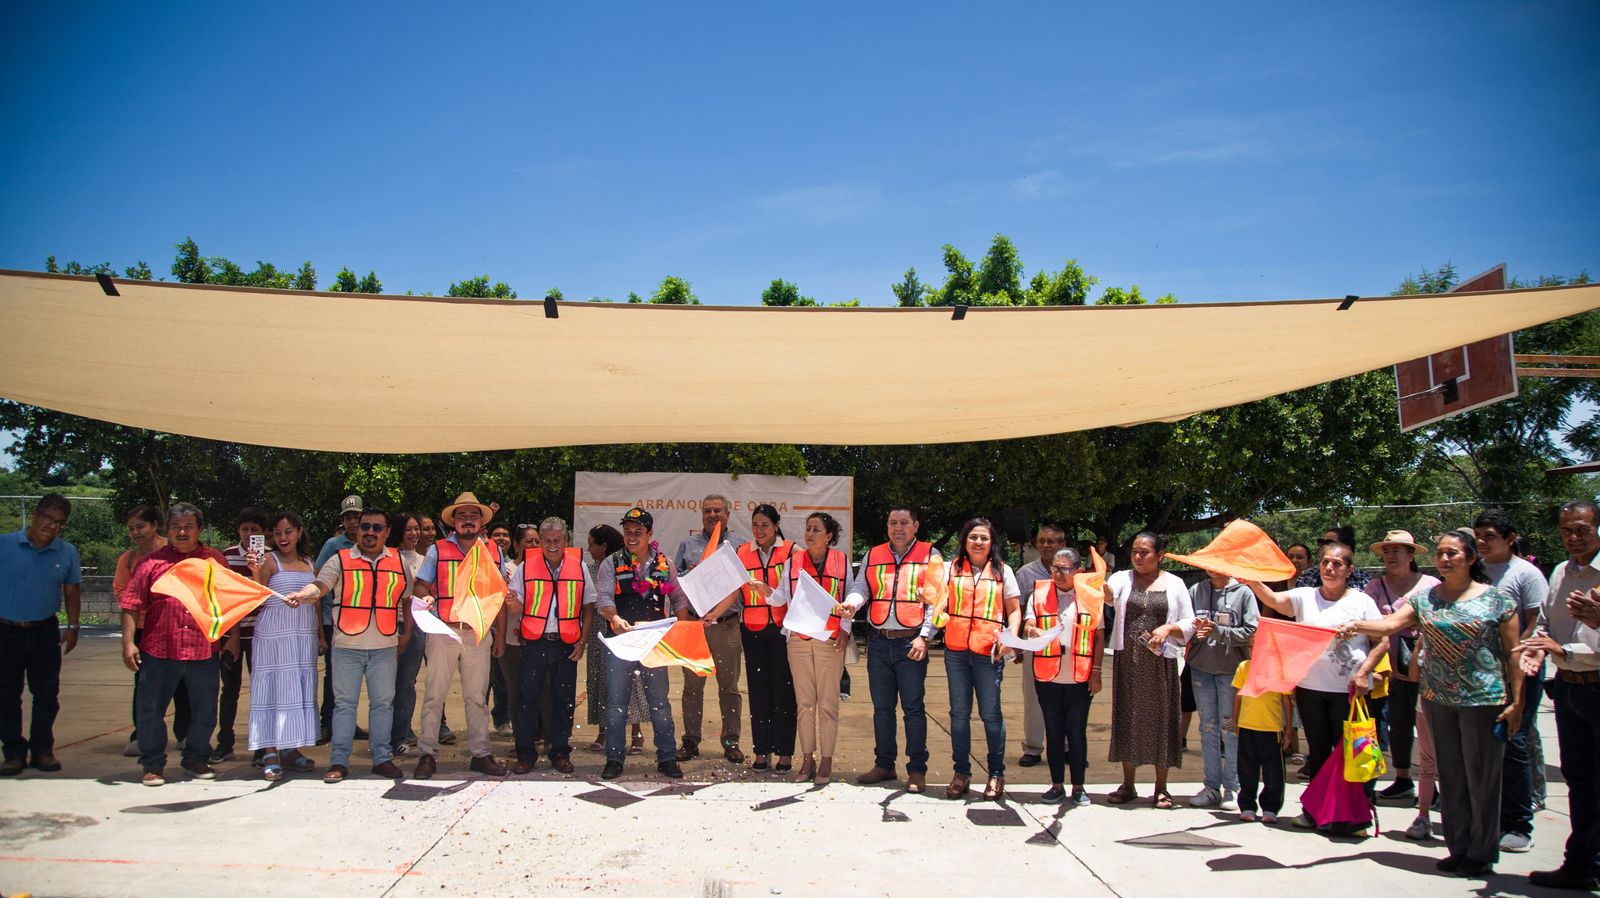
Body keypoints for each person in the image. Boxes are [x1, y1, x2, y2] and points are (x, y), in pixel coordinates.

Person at [1340, 529, 1522, 878]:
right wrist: (1354, 624)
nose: (1444, 559)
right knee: (1451, 774)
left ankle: (1482, 852)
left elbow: (1513, 655)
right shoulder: (1427, 600)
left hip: (1484, 700)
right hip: (1438, 698)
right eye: (1440, 553)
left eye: (1452, 553)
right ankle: (1459, 847)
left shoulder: (1497, 600)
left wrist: (1517, 702)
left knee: (1481, 777)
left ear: (1471, 558)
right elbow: (1391, 623)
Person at [1243, 540, 1387, 833]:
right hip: (1310, 688)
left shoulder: (1362, 602)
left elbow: (1383, 641)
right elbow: (1274, 600)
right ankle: (1315, 811)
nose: (1329, 568)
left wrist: (1365, 674)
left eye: (1337, 564)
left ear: (1349, 570)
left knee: (1351, 751)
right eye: (1325, 563)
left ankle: (1355, 817)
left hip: (1349, 691)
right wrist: (1250, 579)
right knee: (1319, 751)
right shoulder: (1305, 596)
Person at [285, 508, 412, 782]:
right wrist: (305, 595)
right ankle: (339, 761)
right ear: (356, 530)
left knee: (383, 704)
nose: (369, 532)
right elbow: (319, 585)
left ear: (387, 532)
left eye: (377, 528)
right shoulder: (340, 559)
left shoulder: (399, 561)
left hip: (384, 645)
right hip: (347, 645)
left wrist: (407, 634)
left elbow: (408, 599)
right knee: (344, 705)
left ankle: (382, 758)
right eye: (365, 526)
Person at [119, 502, 235, 786]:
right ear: (166, 529)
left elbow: (228, 601)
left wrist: (230, 639)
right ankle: (153, 764)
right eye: (176, 527)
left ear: (199, 529)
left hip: (202, 649)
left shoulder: (214, 560)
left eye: (188, 527)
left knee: (205, 710)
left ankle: (196, 758)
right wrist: (128, 643)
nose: (182, 532)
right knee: (150, 710)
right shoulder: (151, 563)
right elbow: (131, 604)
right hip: (160, 649)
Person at [1522, 500, 1600, 891]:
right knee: (1581, 781)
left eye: (1581, 529)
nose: (1572, 537)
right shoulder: (1559, 573)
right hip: (1569, 688)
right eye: (1566, 530)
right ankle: (1582, 864)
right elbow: (1548, 625)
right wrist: (1536, 648)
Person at [846, 505, 943, 794]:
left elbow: (937, 601)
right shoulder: (873, 554)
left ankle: (916, 770)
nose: (897, 528)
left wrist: (924, 637)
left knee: (913, 709)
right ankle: (884, 764)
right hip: (878, 642)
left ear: (916, 526)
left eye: (903, 523)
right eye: (892, 523)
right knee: (882, 709)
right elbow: (861, 588)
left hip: (910, 642)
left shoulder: (931, 555)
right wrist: (852, 603)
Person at [411, 492, 507, 779]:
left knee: (477, 697)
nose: (468, 520)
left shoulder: (493, 551)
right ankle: (427, 753)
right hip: (443, 630)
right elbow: (420, 585)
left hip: (477, 634)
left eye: (473, 515)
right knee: (434, 695)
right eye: (462, 516)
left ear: (481, 521)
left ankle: (480, 753)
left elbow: (498, 595)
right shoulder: (438, 550)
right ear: (454, 521)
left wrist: (499, 637)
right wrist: (425, 598)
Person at [1473, 509, 1548, 853]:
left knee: (1513, 740)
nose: (1482, 542)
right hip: (1478, 673)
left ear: (1510, 539)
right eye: (1479, 536)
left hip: (1517, 669)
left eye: (1489, 536)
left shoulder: (1525, 574)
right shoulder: (1476, 570)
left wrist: (1514, 657)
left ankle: (1518, 823)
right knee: (1482, 745)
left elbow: (1535, 622)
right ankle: (1486, 817)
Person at [593, 507, 686, 780]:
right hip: (621, 641)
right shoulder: (611, 562)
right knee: (616, 704)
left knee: (660, 703)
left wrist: (683, 627)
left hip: (654, 643)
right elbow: (604, 599)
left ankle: (667, 757)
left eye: (638, 532)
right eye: (627, 531)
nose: (632, 537)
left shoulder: (665, 563)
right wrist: (615, 617)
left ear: (650, 534)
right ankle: (613, 758)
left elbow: (679, 599)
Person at [1105, 532, 1194, 809]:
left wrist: (1168, 628)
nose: (1138, 557)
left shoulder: (1175, 583)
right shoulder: (1122, 578)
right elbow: (1110, 596)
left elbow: (1189, 621)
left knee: (1162, 721)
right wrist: (1103, 590)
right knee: (1127, 718)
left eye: (1145, 552)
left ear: (1160, 556)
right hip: (1128, 661)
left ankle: (1161, 787)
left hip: (1160, 662)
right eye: (1135, 552)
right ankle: (1128, 783)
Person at [935, 517, 1021, 800]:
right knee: (959, 714)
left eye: (984, 538)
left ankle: (996, 774)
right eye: (973, 537)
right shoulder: (949, 569)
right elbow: (936, 602)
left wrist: (1009, 640)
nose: (978, 542)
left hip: (989, 651)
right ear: (964, 540)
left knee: (991, 714)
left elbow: (1013, 610)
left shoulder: (1003, 571)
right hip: (957, 651)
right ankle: (961, 772)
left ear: (992, 541)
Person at [506, 517, 596, 775]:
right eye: (547, 541)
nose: (552, 545)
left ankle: (560, 752)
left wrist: (583, 640)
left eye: (557, 541)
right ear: (541, 542)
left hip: (566, 644)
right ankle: (525, 754)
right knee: (527, 701)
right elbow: (517, 603)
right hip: (534, 643)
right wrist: (512, 601)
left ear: (566, 541)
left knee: (564, 701)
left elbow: (588, 606)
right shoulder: (526, 567)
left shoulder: (578, 567)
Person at [0, 494, 82, 776]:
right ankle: (13, 753)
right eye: (49, 518)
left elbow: (72, 591)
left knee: (47, 694)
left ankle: (42, 750)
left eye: (60, 523)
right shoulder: (4, 545)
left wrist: (73, 627)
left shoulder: (66, 552)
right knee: (6, 695)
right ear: (34, 514)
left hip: (44, 631)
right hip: (5, 630)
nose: (53, 526)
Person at [770, 512, 852, 785]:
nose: (810, 534)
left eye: (816, 529)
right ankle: (807, 758)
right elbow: (781, 595)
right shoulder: (793, 560)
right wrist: (764, 592)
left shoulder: (841, 561)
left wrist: (846, 630)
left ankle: (827, 760)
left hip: (830, 640)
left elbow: (849, 597)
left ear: (829, 536)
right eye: (807, 529)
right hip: (799, 641)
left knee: (828, 704)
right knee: (804, 704)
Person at [1363, 530, 1438, 809]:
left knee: (1430, 729)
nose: (1391, 555)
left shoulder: (1430, 585)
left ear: (1411, 555)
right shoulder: (1375, 587)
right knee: (1398, 726)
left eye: (1397, 550)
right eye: (1387, 551)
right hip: (1390, 671)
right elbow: (1367, 620)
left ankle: (1433, 784)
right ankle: (1404, 779)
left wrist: (1393, 622)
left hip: (1427, 670)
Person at [245, 513, 321, 780]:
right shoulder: (268, 560)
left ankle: (290, 747)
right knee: (273, 690)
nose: (283, 538)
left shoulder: (309, 561)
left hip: (303, 635)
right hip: (274, 636)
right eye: (277, 533)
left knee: (297, 690)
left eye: (288, 532)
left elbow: (317, 599)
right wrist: (254, 571)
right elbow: (256, 598)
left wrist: (321, 635)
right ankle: (269, 751)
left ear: (299, 532)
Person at [1023, 547, 1102, 805]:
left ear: (1078, 571)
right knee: (1054, 730)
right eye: (1054, 568)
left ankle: (1078, 786)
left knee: (1076, 732)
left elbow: (1099, 635)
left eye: (1064, 569)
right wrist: (1032, 631)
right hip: (1048, 675)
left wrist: (1097, 672)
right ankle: (1057, 784)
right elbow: (1029, 623)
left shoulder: (1090, 595)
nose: (1057, 573)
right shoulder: (1040, 592)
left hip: (1079, 674)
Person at [672, 494, 745, 763]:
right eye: (707, 511)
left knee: (729, 687)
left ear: (728, 513)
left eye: (717, 511)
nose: (712, 515)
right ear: (701, 515)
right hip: (694, 625)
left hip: (727, 627)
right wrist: (689, 574)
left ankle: (731, 741)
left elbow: (745, 583)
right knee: (692, 687)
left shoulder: (739, 545)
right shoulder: (688, 544)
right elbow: (674, 584)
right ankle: (690, 741)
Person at [724, 505, 797, 772]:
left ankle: (785, 753)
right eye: (755, 525)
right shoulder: (743, 553)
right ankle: (761, 751)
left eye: (765, 525)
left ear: (776, 526)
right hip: (752, 631)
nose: (760, 530)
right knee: (758, 692)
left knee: (784, 692)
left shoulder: (791, 551)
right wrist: (713, 614)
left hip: (781, 631)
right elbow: (733, 593)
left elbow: (800, 589)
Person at [1185, 569, 1257, 811]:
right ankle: (1211, 786)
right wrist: (1195, 633)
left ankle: (1233, 787)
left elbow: (1251, 630)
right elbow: (1184, 624)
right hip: (1201, 668)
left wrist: (1218, 631)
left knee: (1230, 727)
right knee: (1207, 726)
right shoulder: (1196, 590)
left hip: (1231, 671)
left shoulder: (1244, 593)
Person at [113, 505, 170, 758]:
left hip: (175, 627)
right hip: (143, 630)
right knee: (145, 684)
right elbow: (121, 590)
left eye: (140, 527)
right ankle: (141, 734)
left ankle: (186, 733)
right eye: (131, 529)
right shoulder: (128, 559)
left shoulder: (174, 552)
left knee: (183, 684)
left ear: (155, 525)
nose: (135, 532)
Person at [215, 506, 268, 763]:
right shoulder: (227, 556)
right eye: (245, 529)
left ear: (264, 534)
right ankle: (225, 741)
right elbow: (227, 596)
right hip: (235, 632)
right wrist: (231, 636)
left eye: (255, 531)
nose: (249, 535)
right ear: (238, 530)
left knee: (260, 691)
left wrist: (257, 568)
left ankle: (260, 746)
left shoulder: (270, 557)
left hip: (261, 633)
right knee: (230, 689)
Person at [1012, 524, 1067, 769]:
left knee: (1066, 698)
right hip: (1034, 645)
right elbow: (1017, 608)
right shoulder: (1025, 573)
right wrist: (1018, 646)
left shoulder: (1074, 571)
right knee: (1033, 698)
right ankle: (1033, 748)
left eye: (1052, 541)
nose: (1046, 545)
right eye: (1042, 541)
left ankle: (1066, 747)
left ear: (1062, 544)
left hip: (1067, 646)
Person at [314, 494, 364, 744]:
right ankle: (327, 724)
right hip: (333, 619)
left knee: (353, 677)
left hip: (362, 621)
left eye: (356, 516)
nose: (353, 522)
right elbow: (319, 580)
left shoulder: (372, 543)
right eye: (348, 517)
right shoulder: (333, 545)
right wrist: (321, 630)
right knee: (334, 675)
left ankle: (349, 724)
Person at [1230, 658, 1293, 823]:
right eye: (1251, 647)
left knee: (1274, 771)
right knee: (1246, 768)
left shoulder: (1280, 669)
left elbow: (1286, 700)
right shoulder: (1244, 666)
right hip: (1247, 725)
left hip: (1272, 728)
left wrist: (1288, 728)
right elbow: (1238, 694)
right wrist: (1235, 721)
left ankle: (1271, 807)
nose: (1254, 650)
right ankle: (1247, 805)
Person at [388, 512, 426, 757]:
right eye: (409, 529)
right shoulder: (388, 558)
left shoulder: (426, 559)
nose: (414, 533)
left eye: (416, 529)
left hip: (419, 627)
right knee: (386, 685)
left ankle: (401, 734)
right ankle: (385, 737)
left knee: (407, 683)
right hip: (390, 626)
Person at [487, 522, 517, 735]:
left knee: (502, 678)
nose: (501, 538)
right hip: (484, 626)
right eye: (496, 535)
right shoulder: (482, 559)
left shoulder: (515, 566)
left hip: (505, 628)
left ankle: (504, 718)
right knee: (485, 680)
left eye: (505, 535)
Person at [1294, 525, 1371, 592]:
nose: (1324, 547)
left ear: (1348, 549)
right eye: (1322, 543)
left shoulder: (1362, 579)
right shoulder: (1308, 576)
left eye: (1329, 543)